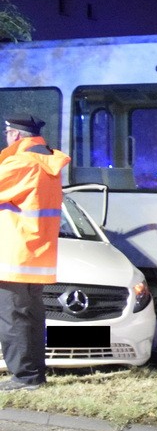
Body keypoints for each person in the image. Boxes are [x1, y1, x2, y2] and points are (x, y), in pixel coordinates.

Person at [0, 116, 70, 391]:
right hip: (37, 256)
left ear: (16, 135)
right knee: (31, 318)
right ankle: (34, 375)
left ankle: (24, 377)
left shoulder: (21, 163)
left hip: (13, 256)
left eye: (7, 133)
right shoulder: (48, 162)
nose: (6, 137)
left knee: (13, 318)